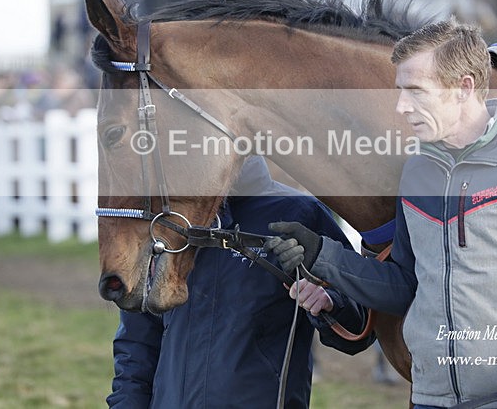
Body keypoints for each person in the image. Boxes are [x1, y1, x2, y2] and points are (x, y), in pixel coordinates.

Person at [266, 18, 497, 408]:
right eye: (400, 91)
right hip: (431, 398)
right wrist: (322, 255)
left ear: (464, 87)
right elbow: (405, 284)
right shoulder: (417, 171)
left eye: (415, 91)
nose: (401, 106)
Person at [107, 156, 374, 408]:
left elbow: (359, 324)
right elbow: (137, 343)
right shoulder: (164, 222)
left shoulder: (299, 214)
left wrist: (328, 303)